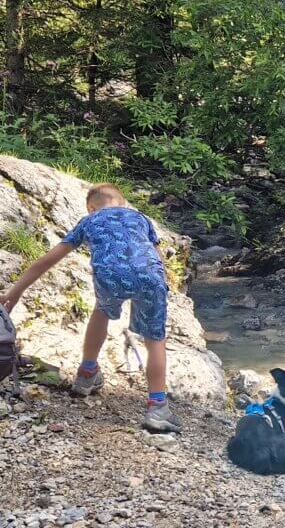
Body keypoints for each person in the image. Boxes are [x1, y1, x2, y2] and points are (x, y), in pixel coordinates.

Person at [0, 183, 180, 433]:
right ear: (123, 202)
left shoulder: (90, 220)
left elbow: (46, 261)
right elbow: (157, 256)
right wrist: (162, 286)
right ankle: (158, 406)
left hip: (109, 278)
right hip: (150, 276)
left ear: (90, 207)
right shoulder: (140, 218)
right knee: (154, 340)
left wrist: (14, 292)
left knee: (102, 311)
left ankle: (87, 372)